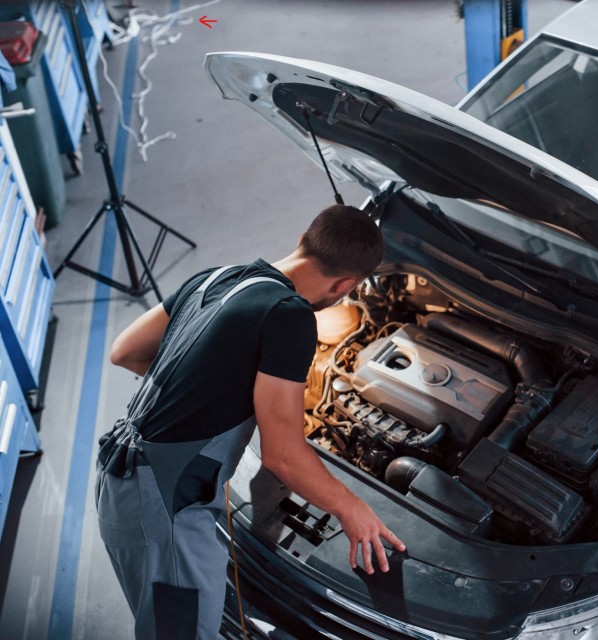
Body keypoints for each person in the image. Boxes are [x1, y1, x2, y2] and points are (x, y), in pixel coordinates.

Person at [97, 204, 405, 639]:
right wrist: (352, 509)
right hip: (166, 509)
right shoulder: (289, 316)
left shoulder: (214, 276)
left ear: (305, 238)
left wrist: (207, 385)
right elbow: (283, 455)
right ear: (346, 285)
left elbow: (124, 351)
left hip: (124, 478)